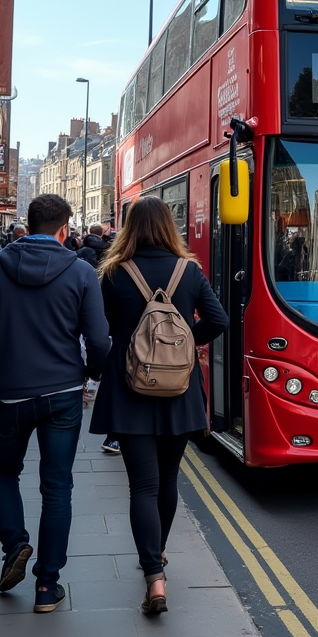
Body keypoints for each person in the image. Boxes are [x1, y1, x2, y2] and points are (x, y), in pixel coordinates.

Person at [0, 194, 110, 613]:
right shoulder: (81, 272)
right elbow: (98, 339)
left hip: (9, 394)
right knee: (57, 486)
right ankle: (47, 586)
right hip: (62, 394)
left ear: (27, 222)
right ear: (64, 229)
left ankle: (15, 546)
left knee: (4, 474)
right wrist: (93, 373)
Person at [89, 196, 227, 614]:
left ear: (130, 227)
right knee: (168, 481)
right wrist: (185, 344)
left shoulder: (113, 273)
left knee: (142, 486)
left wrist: (113, 359)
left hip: (130, 390)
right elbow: (219, 321)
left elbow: (100, 332)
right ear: (170, 226)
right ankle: (159, 552)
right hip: (179, 390)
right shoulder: (190, 272)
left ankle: (154, 576)